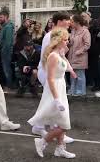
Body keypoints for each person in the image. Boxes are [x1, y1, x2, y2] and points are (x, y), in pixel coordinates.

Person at [28, 28, 76, 159]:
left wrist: (71, 70)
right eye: (65, 40)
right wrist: (56, 99)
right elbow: (50, 79)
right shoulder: (53, 57)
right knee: (64, 124)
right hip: (54, 90)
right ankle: (42, 142)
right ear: (58, 41)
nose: (67, 42)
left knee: (61, 122)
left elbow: (65, 62)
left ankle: (60, 149)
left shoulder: (59, 53)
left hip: (60, 88)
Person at [34, 12, 75, 143]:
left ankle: (41, 127)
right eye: (67, 20)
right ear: (59, 21)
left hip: (54, 72)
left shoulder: (62, 35)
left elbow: (61, 56)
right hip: (48, 71)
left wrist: (69, 69)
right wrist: (51, 76)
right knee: (52, 102)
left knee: (51, 102)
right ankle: (54, 130)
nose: (69, 22)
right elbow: (46, 58)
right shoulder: (50, 36)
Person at [68, 14, 91, 96]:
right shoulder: (73, 31)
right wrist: (69, 43)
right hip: (71, 56)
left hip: (80, 57)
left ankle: (80, 91)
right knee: (72, 74)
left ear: (77, 22)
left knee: (80, 75)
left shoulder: (85, 31)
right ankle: (72, 90)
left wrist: (80, 51)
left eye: (72, 21)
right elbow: (72, 42)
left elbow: (87, 45)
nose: (70, 23)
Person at [0, 10, 15, 90]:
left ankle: (9, 86)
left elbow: (8, 42)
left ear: (6, 17)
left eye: (1, 17)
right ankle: (7, 84)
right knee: (5, 68)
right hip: (4, 51)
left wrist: (3, 51)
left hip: (6, 52)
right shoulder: (5, 26)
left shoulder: (8, 27)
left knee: (6, 68)